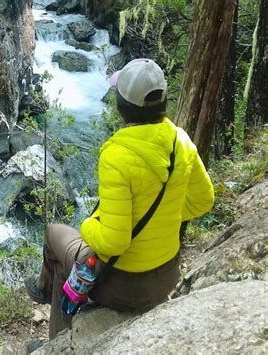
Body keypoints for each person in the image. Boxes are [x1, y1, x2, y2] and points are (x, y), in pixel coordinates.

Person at [25, 58, 215, 339]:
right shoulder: (181, 141)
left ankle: (56, 336)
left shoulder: (116, 155)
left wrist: (89, 225)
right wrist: (165, 217)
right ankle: (52, 315)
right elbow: (204, 200)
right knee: (71, 257)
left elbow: (115, 241)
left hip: (123, 286)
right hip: (166, 276)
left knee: (55, 235)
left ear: (122, 106)